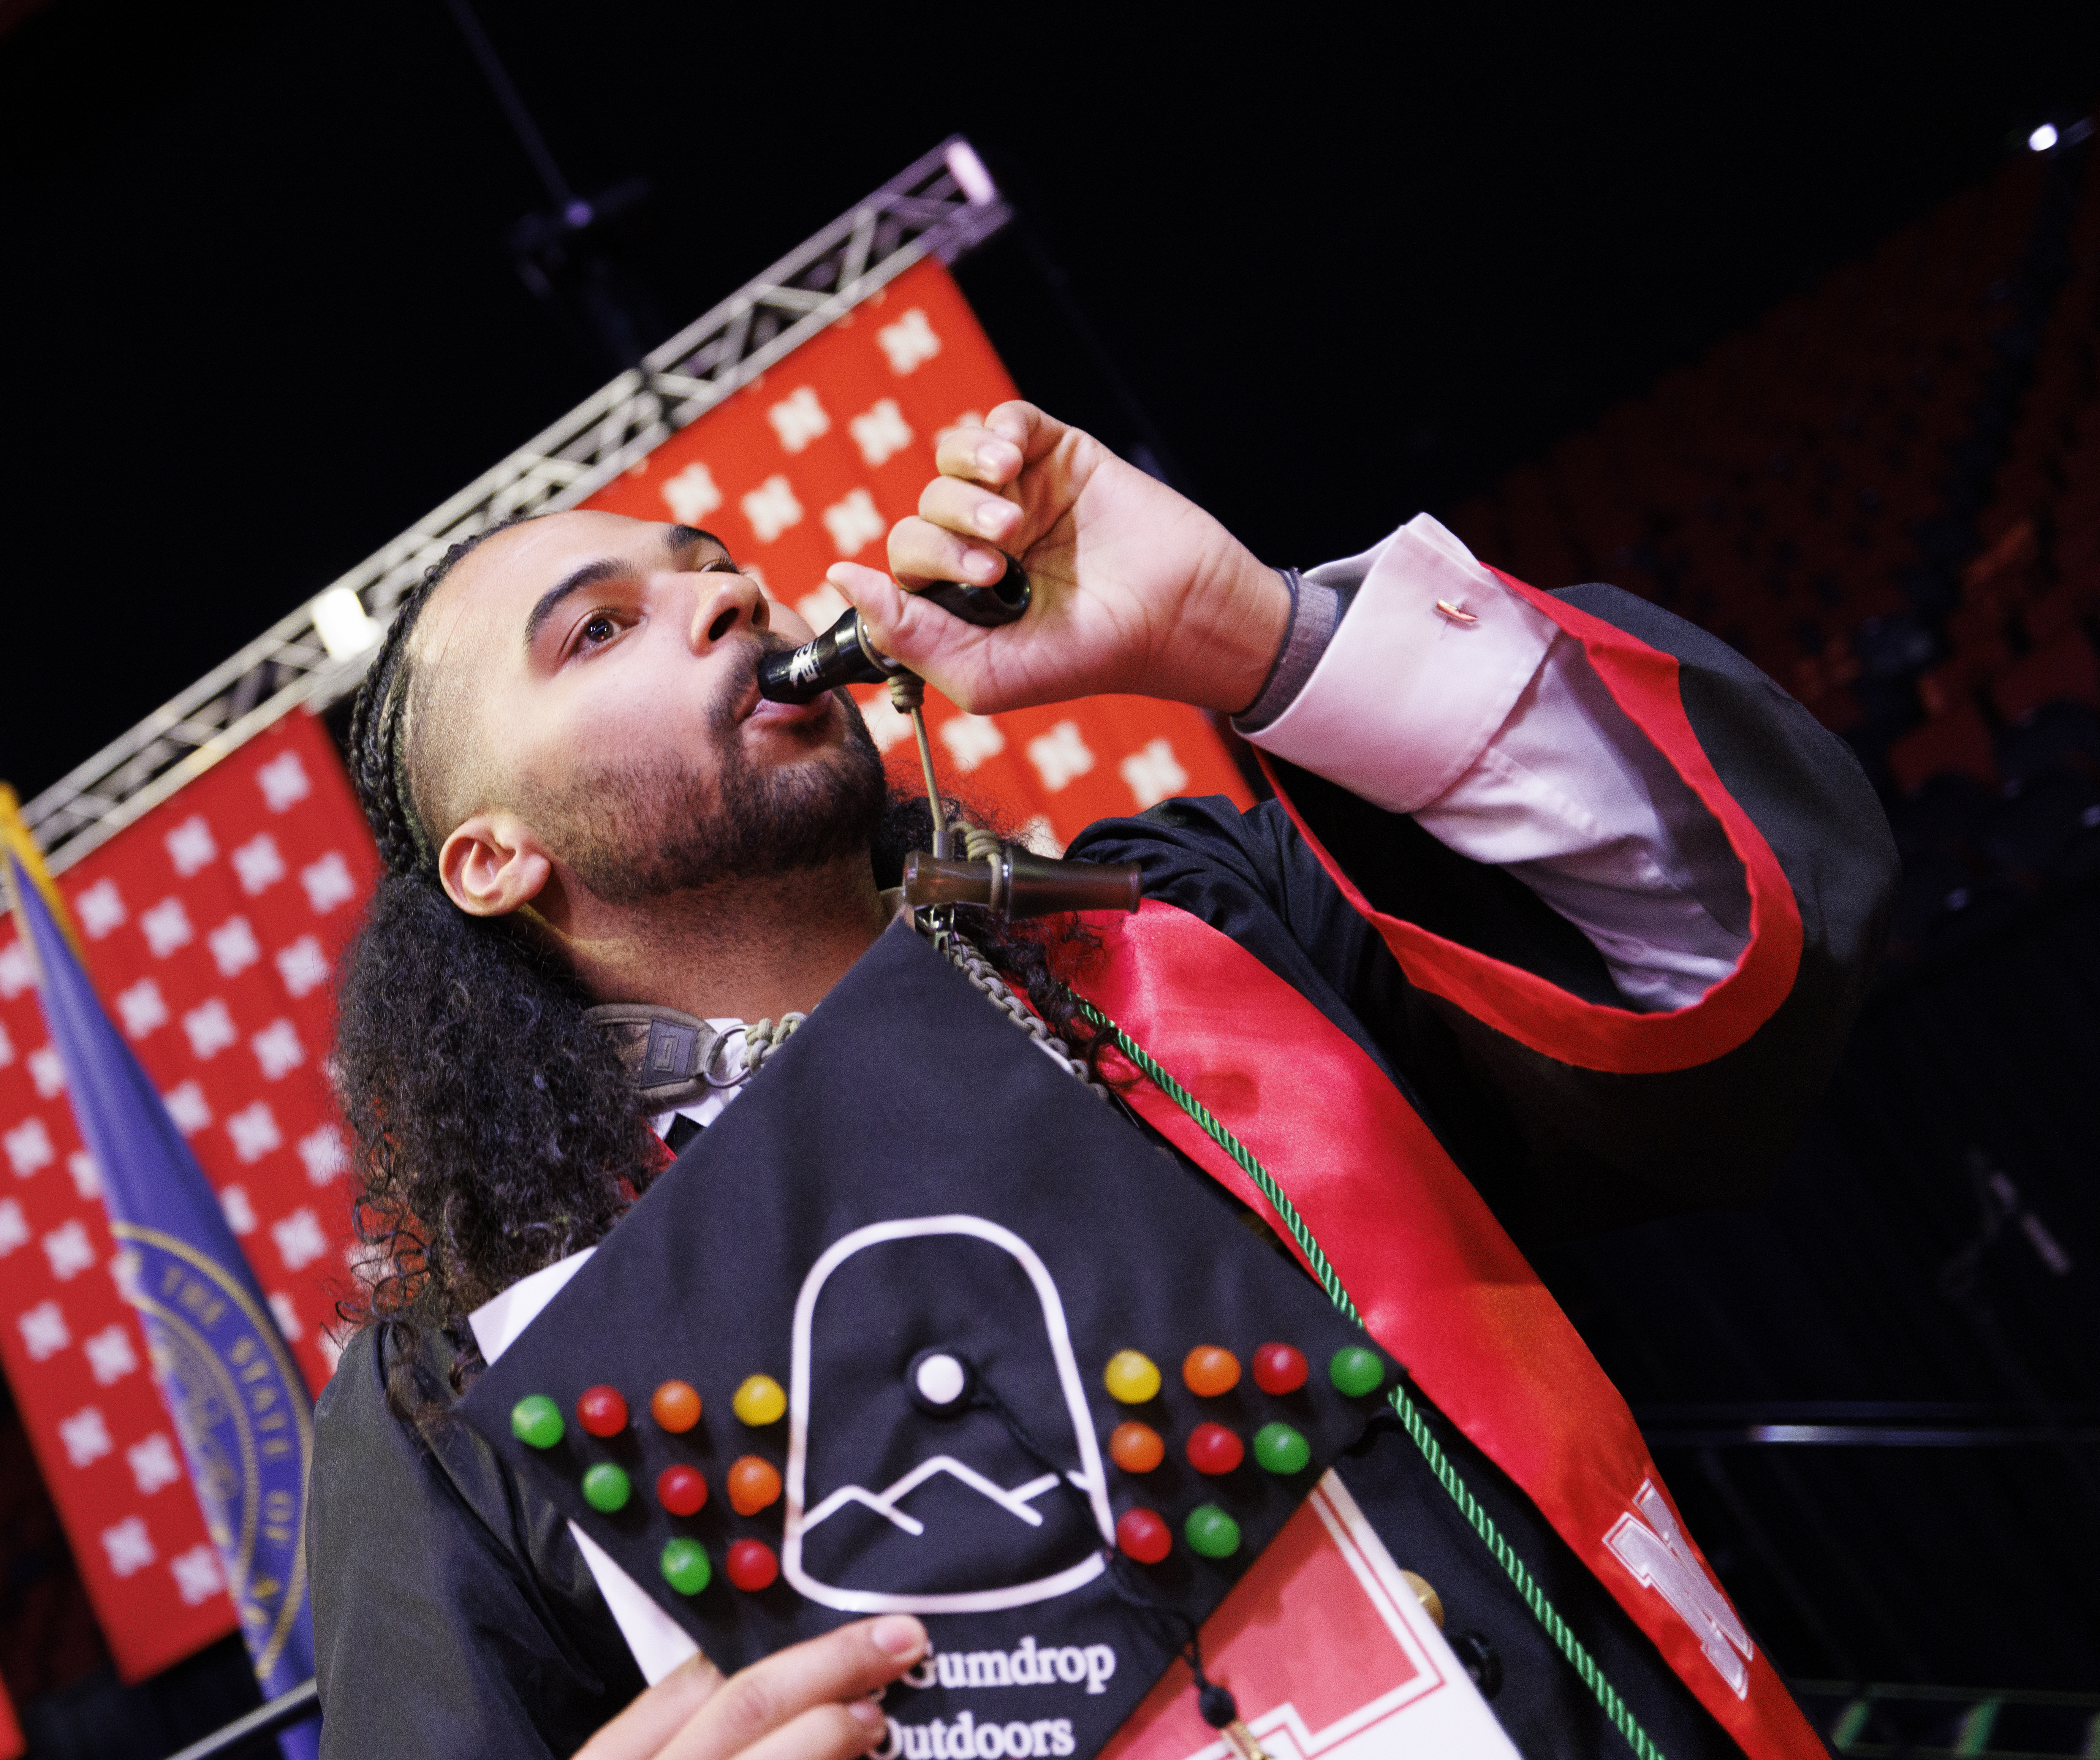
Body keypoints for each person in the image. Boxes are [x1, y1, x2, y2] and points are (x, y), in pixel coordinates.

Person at [309, 400, 1886, 1760]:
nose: (720, 601)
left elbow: (1713, 955)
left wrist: (1243, 632)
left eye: (711, 568)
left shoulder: (1192, 936)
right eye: (598, 631)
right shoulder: (459, 1410)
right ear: (493, 859)